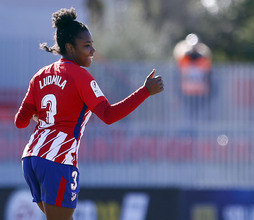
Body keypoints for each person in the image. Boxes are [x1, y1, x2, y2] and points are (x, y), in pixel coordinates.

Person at [14, 8, 164, 220]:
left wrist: (42, 115)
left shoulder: (40, 75)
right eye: (86, 46)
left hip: (30, 159)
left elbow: (20, 122)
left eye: (92, 45)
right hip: (57, 160)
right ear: (70, 48)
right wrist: (145, 91)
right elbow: (109, 115)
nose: (93, 50)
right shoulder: (81, 76)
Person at [173, 33, 212, 121]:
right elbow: (178, 75)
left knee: (199, 116)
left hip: (200, 93)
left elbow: (208, 75)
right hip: (186, 93)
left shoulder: (203, 60)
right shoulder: (183, 59)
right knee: (187, 116)